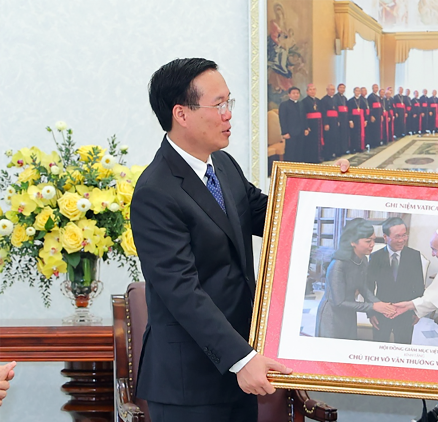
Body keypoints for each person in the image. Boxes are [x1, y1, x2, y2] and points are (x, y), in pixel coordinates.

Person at [131, 58, 350, 422]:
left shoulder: (224, 165)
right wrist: (241, 358)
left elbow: (274, 215)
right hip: (191, 383)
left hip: (239, 369)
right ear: (181, 114)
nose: (228, 115)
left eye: (228, 103)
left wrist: (334, 188)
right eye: (219, 105)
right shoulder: (156, 191)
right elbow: (182, 292)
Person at [315, 219, 396, 340]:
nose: (372, 244)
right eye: (368, 241)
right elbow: (339, 303)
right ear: (353, 242)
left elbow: (363, 287)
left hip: (349, 314)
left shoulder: (363, 260)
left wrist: (380, 305)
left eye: (373, 240)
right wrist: (373, 306)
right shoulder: (338, 265)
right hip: (332, 317)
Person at [366, 218, 425, 344]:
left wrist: (417, 310)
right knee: (379, 347)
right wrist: (371, 312)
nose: (402, 240)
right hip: (382, 311)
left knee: (403, 347)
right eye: (397, 236)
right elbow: (369, 287)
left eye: (404, 235)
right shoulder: (375, 257)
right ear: (386, 237)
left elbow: (419, 285)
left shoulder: (414, 256)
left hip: (406, 313)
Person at [278, 86, 305, 162]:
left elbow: (303, 117)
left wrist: (306, 128)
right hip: (290, 132)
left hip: (300, 131)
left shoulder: (301, 104)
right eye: (293, 93)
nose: (296, 95)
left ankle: (298, 167)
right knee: (290, 151)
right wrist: (284, 132)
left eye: (297, 93)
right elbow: (282, 119)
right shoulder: (284, 105)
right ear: (289, 94)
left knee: (299, 151)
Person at [301, 84, 323, 163]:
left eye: (314, 89)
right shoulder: (304, 101)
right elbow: (303, 115)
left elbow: (321, 113)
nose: (312, 91)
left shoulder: (318, 100)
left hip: (318, 124)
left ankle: (318, 157)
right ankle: (310, 159)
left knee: (317, 141)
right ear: (307, 91)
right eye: (310, 89)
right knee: (310, 142)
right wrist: (306, 126)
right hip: (310, 124)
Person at [320, 84, 339, 160]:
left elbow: (337, 111)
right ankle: (327, 155)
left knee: (334, 137)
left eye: (333, 89)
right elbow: (324, 112)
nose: (332, 91)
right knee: (328, 138)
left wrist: (338, 120)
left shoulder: (335, 99)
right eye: (331, 89)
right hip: (328, 121)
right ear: (327, 90)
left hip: (334, 121)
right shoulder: (324, 100)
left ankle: (332, 153)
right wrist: (326, 123)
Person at [334, 83, 351, 156]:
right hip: (339, 118)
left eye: (343, 88)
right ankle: (339, 151)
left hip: (345, 118)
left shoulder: (345, 98)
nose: (342, 89)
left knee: (345, 134)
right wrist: (337, 120)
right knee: (339, 135)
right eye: (341, 88)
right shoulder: (335, 97)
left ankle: (344, 149)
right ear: (338, 89)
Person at [348, 87, 366, 153]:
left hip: (361, 119)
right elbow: (349, 111)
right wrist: (350, 120)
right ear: (354, 91)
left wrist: (365, 120)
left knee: (360, 133)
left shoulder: (362, 100)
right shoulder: (350, 101)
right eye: (356, 91)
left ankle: (359, 147)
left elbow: (364, 111)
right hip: (354, 119)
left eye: (359, 91)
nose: (357, 92)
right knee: (353, 134)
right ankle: (353, 148)